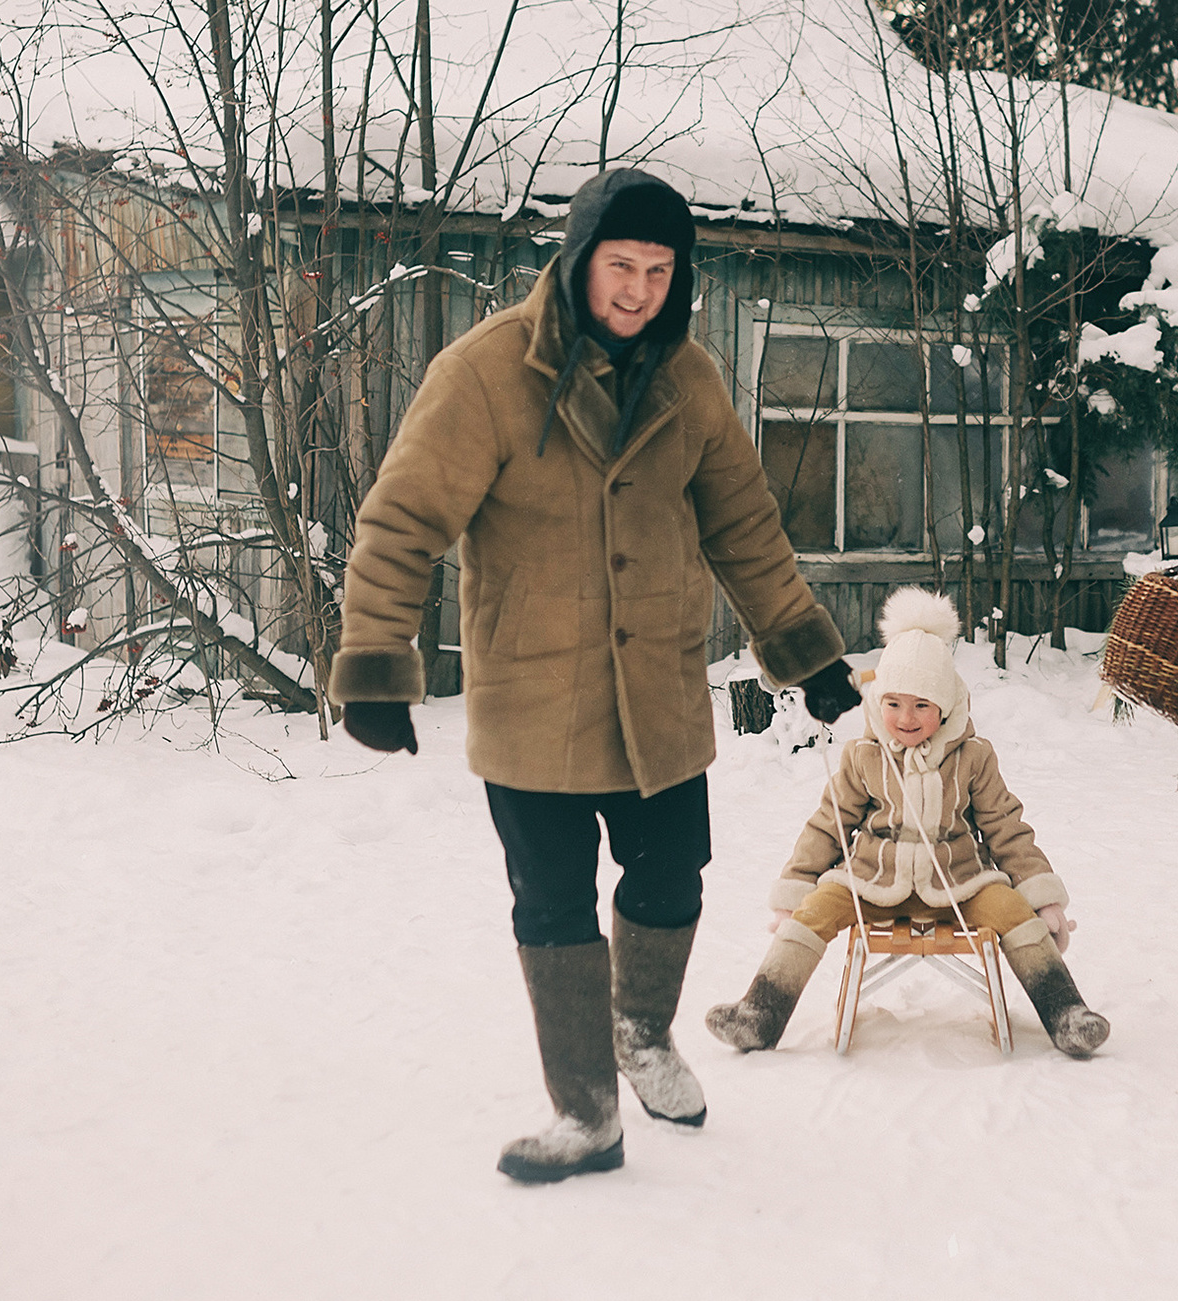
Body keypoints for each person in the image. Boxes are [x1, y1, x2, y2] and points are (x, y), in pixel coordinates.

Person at [330, 165, 862, 1184]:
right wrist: (374, 666)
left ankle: (642, 1030)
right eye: (620, 266)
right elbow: (403, 519)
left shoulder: (690, 379)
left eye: (660, 271)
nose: (637, 291)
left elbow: (744, 526)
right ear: (577, 263)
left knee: (672, 876)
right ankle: (584, 1112)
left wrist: (808, 650)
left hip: (657, 690)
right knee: (555, 903)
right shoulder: (485, 374)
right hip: (533, 695)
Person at [703, 587, 1111, 1060]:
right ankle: (759, 1012)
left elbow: (1006, 826)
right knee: (815, 909)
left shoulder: (973, 757)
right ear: (878, 704)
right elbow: (826, 827)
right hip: (872, 881)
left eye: (921, 704)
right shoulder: (864, 757)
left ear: (946, 706)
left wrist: (1043, 896)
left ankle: (1066, 1012)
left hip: (961, 884)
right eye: (893, 703)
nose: (906, 717)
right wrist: (795, 890)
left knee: (1013, 911)